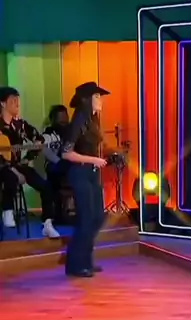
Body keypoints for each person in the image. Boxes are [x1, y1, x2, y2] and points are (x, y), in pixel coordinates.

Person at [61, 81, 110, 278]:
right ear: (86, 99)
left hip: (92, 173)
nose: (100, 100)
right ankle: (76, 264)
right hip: (79, 172)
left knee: (97, 217)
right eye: (97, 96)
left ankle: (86, 261)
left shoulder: (93, 119)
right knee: (86, 218)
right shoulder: (79, 119)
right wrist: (93, 160)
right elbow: (66, 153)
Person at [0, 86, 60, 238]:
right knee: (10, 176)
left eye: (18, 100)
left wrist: (28, 158)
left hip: (18, 165)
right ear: (2, 103)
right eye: (13, 100)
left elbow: (38, 140)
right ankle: (7, 211)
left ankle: (47, 223)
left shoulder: (20, 124)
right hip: (2, 167)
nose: (17, 103)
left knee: (46, 186)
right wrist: (13, 170)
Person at [42, 104, 71, 222]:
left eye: (65, 119)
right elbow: (45, 151)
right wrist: (59, 161)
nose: (64, 123)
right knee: (55, 173)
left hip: (70, 162)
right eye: (60, 121)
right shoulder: (47, 135)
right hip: (54, 164)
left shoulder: (72, 132)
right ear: (53, 120)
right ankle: (56, 212)